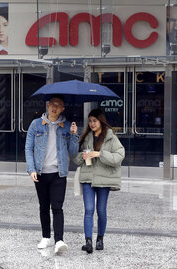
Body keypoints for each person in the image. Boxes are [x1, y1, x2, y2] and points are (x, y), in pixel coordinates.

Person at [25, 95, 79, 254]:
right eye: (52, 104)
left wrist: (74, 135)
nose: (54, 107)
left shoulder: (67, 126)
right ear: (48, 106)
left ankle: (59, 240)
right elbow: (28, 148)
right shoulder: (36, 124)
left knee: (57, 207)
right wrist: (31, 169)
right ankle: (45, 237)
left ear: (63, 108)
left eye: (59, 105)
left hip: (58, 173)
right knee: (43, 206)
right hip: (40, 173)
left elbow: (73, 152)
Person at [73, 108, 125, 254]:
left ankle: (100, 239)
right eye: (89, 121)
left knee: (101, 210)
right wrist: (82, 156)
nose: (92, 124)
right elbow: (76, 158)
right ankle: (88, 241)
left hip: (104, 179)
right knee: (88, 210)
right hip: (88, 178)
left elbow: (119, 156)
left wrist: (100, 154)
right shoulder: (86, 137)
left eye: (94, 121)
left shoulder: (110, 137)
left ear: (101, 121)